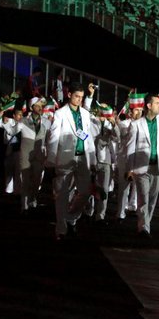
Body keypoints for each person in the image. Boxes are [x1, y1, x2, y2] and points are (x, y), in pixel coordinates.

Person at [46, 82, 97, 241]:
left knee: (85, 192)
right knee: (62, 195)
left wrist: (93, 160)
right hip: (65, 158)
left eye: (81, 97)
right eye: (77, 96)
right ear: (69, 95)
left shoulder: (85, 113)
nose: (79, 100)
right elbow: (53, 138)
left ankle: (71, 219)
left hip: (83, 158)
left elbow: (87, 137)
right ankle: (61, 229)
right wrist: (51, 161)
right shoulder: (60, 114)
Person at [125, 94, 159, 237]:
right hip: (141, 167)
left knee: (152, 199)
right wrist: (129, 168)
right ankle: (144, 228)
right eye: (157, 103)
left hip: (158, 166)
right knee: (143, 198)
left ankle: (146, 224)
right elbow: (130, 148)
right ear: (149, 105)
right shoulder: (136, 124)